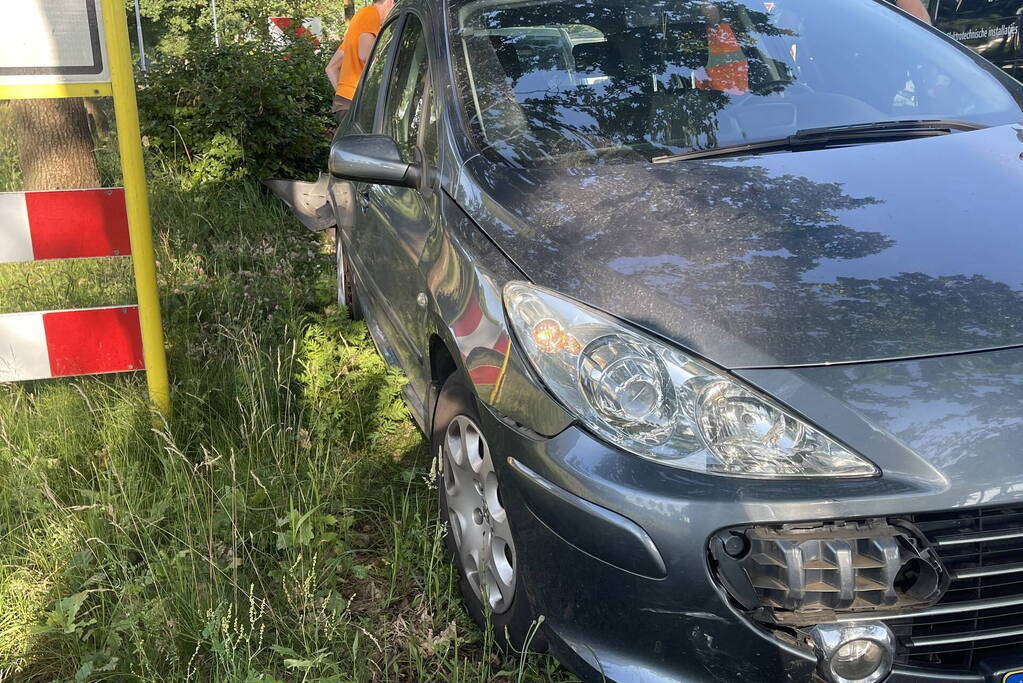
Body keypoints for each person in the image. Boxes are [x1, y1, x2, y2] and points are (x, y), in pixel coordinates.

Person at [325, 0, 396, 123]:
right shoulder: (371, 13)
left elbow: (330, 68)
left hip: (344, 104)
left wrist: (343, 94)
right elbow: (364, 55)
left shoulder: (357, 21)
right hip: (355, 104)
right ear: (390, 2)